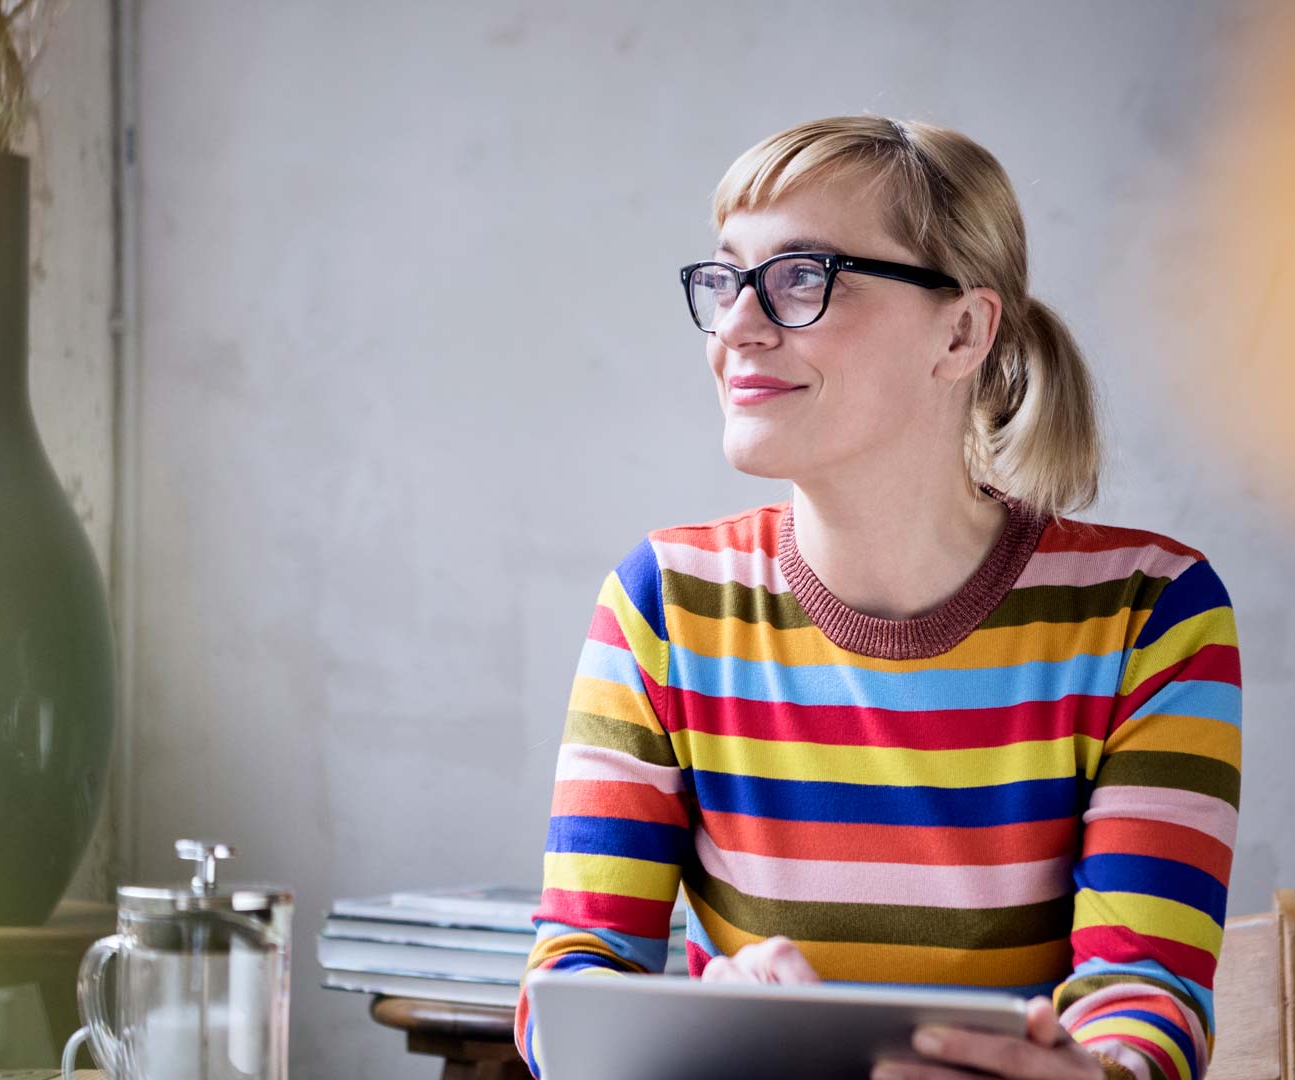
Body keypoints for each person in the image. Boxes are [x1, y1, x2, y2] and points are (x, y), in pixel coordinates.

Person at [511, 115, 1240, 1080]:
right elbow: (570, 977)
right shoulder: (664, 604)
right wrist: (697, 1019)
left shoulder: (1153, 614)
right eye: (727, 278)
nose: (737, 326)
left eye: (805, 276)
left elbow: (1148, 998)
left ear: (963, 331)